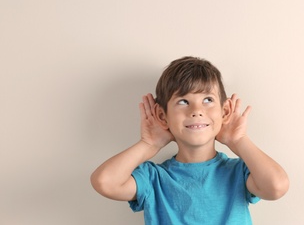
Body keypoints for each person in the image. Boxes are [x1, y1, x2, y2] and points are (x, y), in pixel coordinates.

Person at [91, 56, 289, 224]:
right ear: (162, 115)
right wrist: (149, 144)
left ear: (225, 110)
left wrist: (238, 141)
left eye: (208, 100)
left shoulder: (239, 172)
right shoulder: (154, 179)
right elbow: (105, 182)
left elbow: (276, 187)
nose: (196, 111)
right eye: (183, 101)